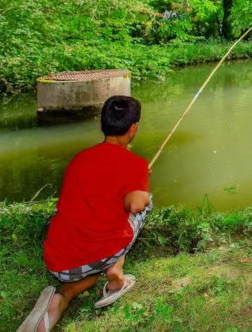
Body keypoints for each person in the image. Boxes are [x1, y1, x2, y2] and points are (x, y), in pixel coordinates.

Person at [19, 96, 152, 332]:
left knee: (85, 279)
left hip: (60, 262)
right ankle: (115, 271)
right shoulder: (135, 164)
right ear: (134, 129)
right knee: (147, 203)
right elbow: (135, 206)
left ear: (101, 126)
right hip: (101, 253)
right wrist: (140, 184)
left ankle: (59, 300)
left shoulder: (79, 160)